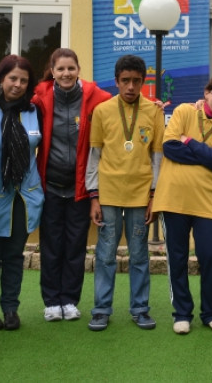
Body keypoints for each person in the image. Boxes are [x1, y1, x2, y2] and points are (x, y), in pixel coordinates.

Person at [85, 54, 163, 332]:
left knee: (139, 255)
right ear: (116, 81)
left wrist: (154, 196)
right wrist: (93, 196)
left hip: (141, 196)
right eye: (125, 80)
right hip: (107, 194)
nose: (131, 86)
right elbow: (95, 156)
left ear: (143, 82)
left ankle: (140, 309)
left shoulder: (154, 111)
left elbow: (157, 157)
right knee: (106, 254)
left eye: (136, 81)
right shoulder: (102, 111)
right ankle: (101, 310)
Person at [153, 76, 212, 334]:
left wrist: (189, 141)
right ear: (206, 93)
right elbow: (170, 148)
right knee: (177, 259)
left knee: (210, 257)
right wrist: (208, 155)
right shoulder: (184, 111)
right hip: (173, 199)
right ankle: (182, 314)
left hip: (207, 202)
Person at [32, 48, 111, 323]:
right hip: (51, 186)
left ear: (78, 70)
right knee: (51, 246)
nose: (66, 74)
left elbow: (122, 107)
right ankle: (52, 302)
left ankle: (69, 300)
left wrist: (154, 105)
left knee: (75, 246)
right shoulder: (40, 97)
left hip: (80, 188)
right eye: (61, 69)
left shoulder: (97, 98)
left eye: (71, 68)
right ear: (52, 71)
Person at [0, 55, 44, 332]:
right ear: (0, 79)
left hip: (25, 196)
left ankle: (10, 307)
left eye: (23, 80)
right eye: (12, 78)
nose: (17, 84)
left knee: (15, 254)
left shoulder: (33, 111)